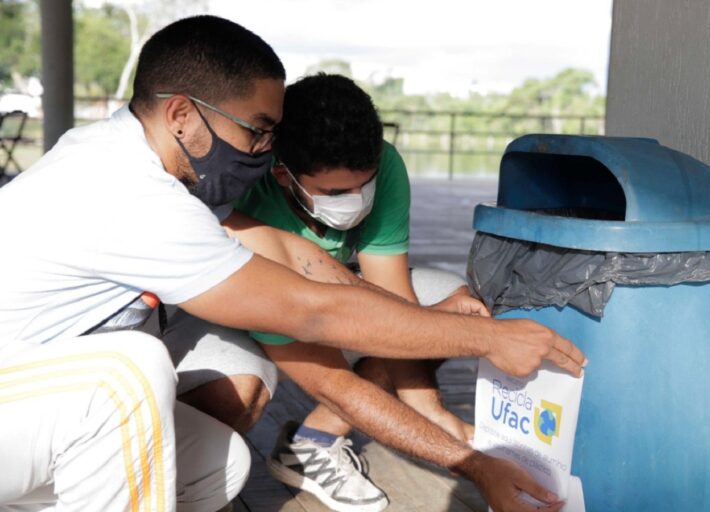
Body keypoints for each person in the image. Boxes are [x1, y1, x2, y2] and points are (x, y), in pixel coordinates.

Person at [0, 15, 585, 512]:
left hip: (36, 395)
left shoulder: (164, 176)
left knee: (220, 463)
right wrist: (481, 346)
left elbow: (303, 265)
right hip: (19, 393)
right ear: (181, 114)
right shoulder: (127, 190)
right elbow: (313, 314)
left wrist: (454, 337)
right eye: (257, 131)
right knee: (128, 370)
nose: (263, 149)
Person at [232, 73, 484, 511]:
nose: (356, 199)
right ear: (283, 175)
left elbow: (395, 303)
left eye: (364, 184)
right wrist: (456, 450)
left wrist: (429, 405)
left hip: (337, 288)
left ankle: (313, 441)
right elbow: (333, 379)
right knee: (246, 385)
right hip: (255, 301)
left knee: (449, 300)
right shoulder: (248, 194)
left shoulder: (385, 165)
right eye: (335, 192)